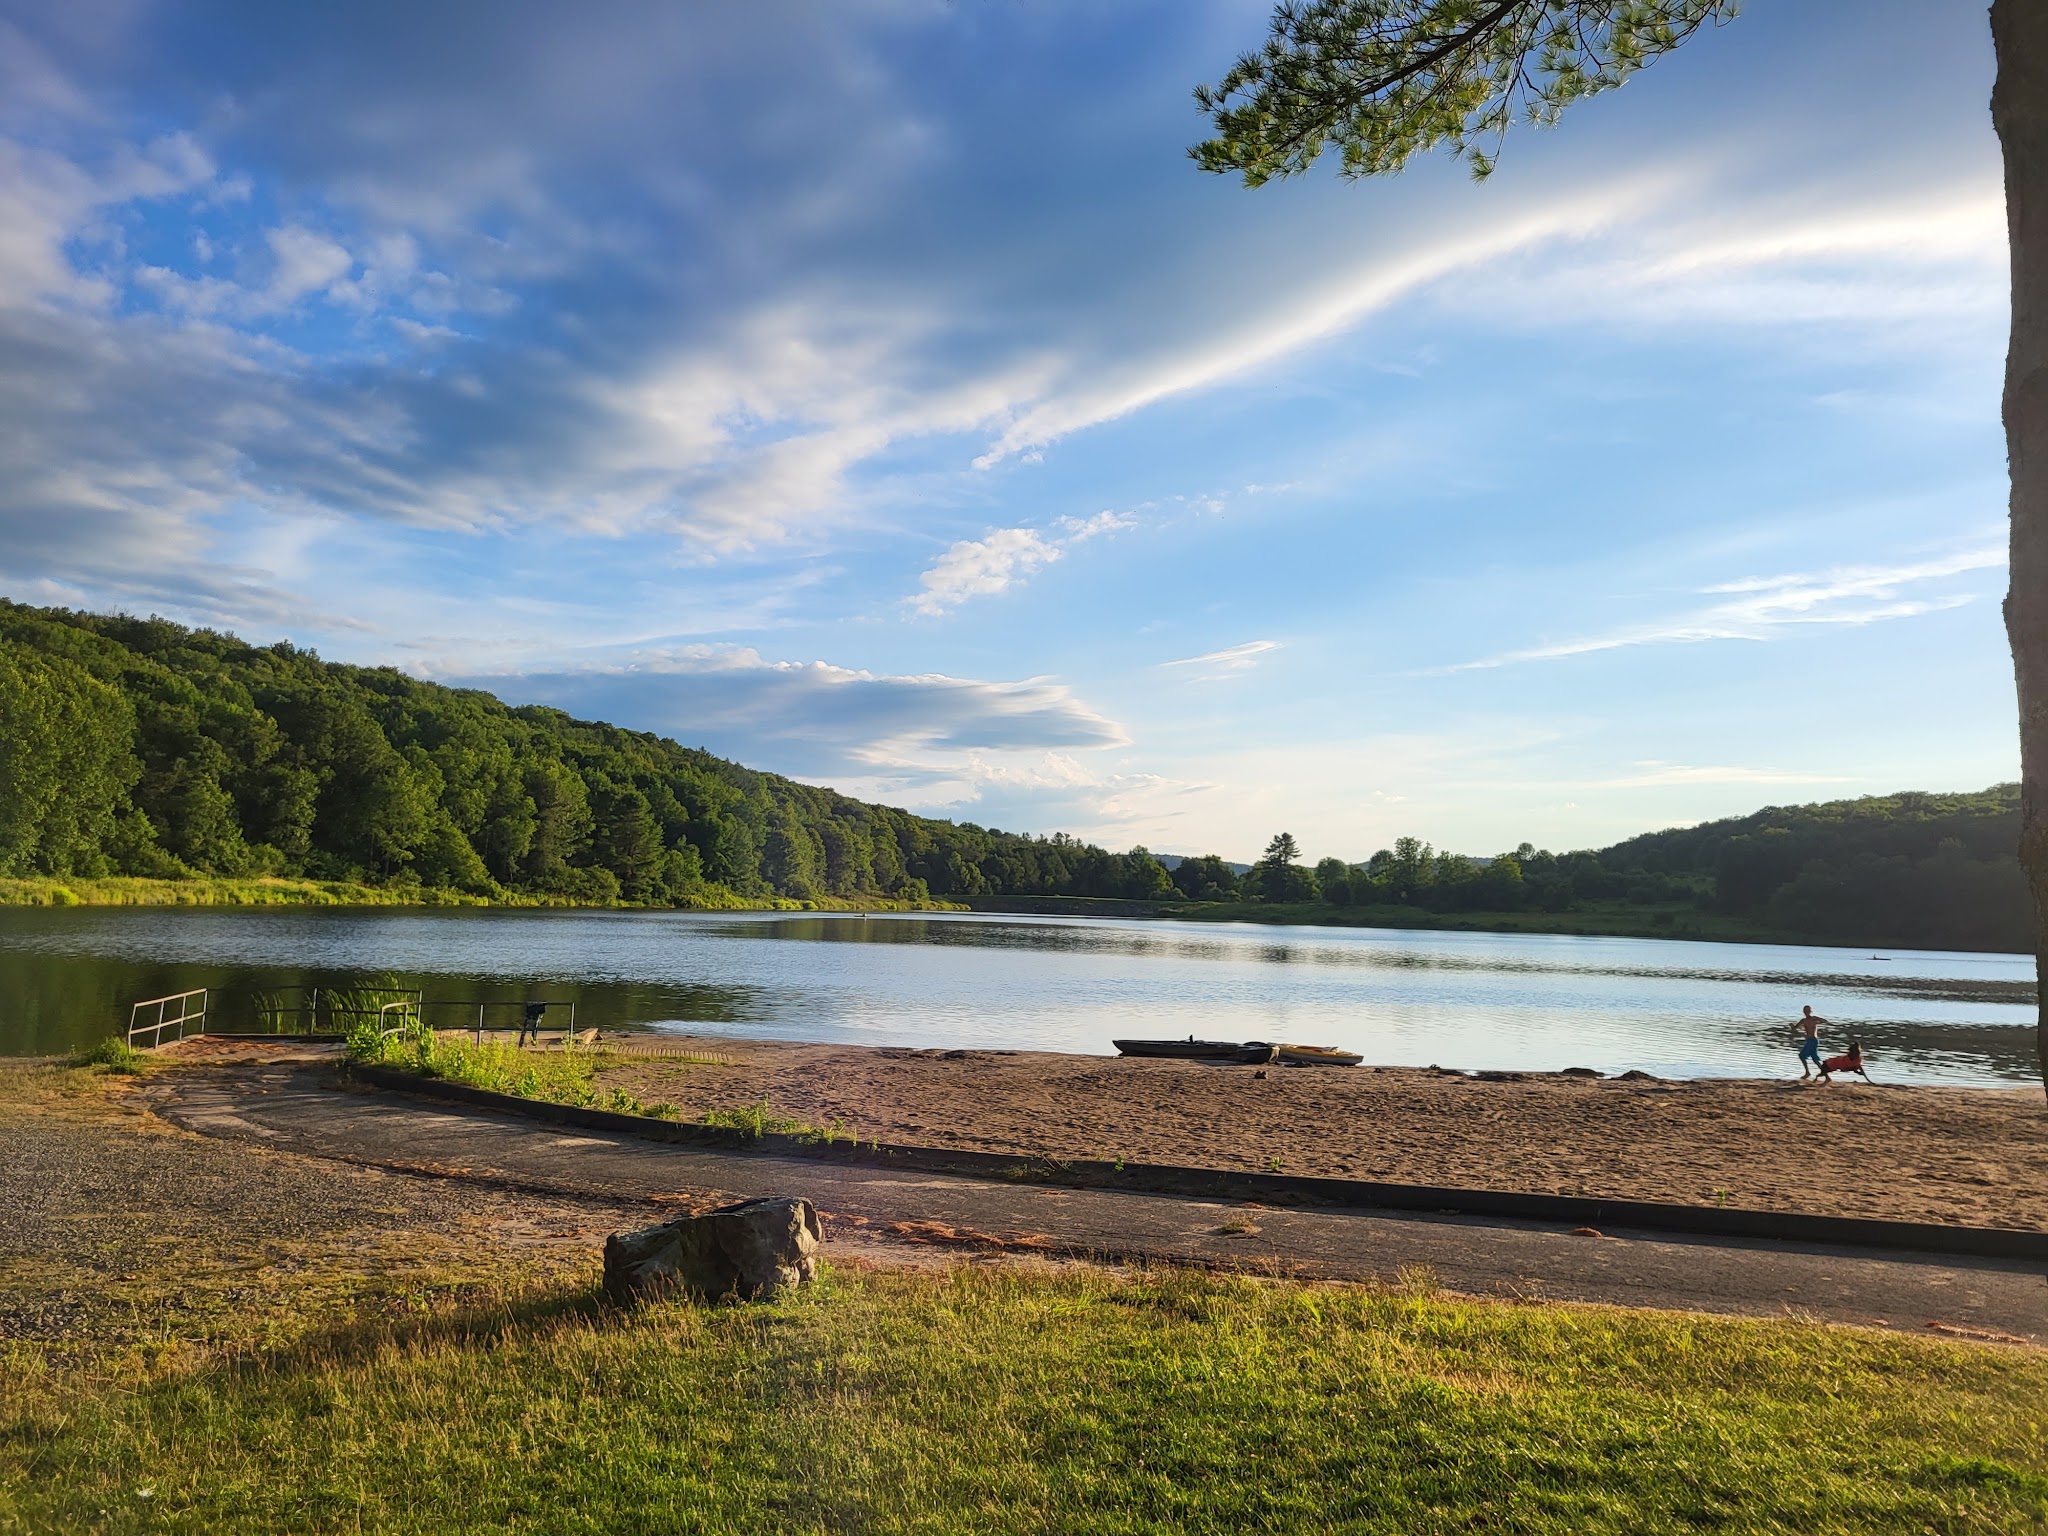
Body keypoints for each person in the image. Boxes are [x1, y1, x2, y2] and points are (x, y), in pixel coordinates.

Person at [1790, 1005, 1829, 1080]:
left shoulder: (1814, 1019)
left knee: (1802, 1056)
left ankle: (1808, 1073)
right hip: (1809, 1040)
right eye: (1805, 1011)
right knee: (1814, 1060)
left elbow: (1825, 1021)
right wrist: (1792, 1026)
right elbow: (1794, 1028)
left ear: (1810, 1011)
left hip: (1813, 1041)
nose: (1806, 1012)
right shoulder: (1803, 1020)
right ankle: (1826, 1076)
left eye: (1808, 1011)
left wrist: (1818, 1021)